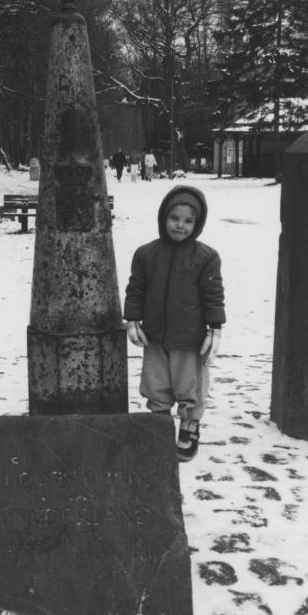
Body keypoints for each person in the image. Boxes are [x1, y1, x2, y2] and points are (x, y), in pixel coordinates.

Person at [123, 185, 225, 461]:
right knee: (156, 383)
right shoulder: (146, 254)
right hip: (154, 336)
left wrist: (215, 330)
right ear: (163, 218)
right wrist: (132, 319)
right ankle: (160, 424)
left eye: (188, 220)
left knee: (188, 386)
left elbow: (213, 295)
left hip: (189, 339)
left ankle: (189, 425)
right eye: (174, 218)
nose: (180, 225)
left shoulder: (206, 257)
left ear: (197, 223)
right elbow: (136, 289)